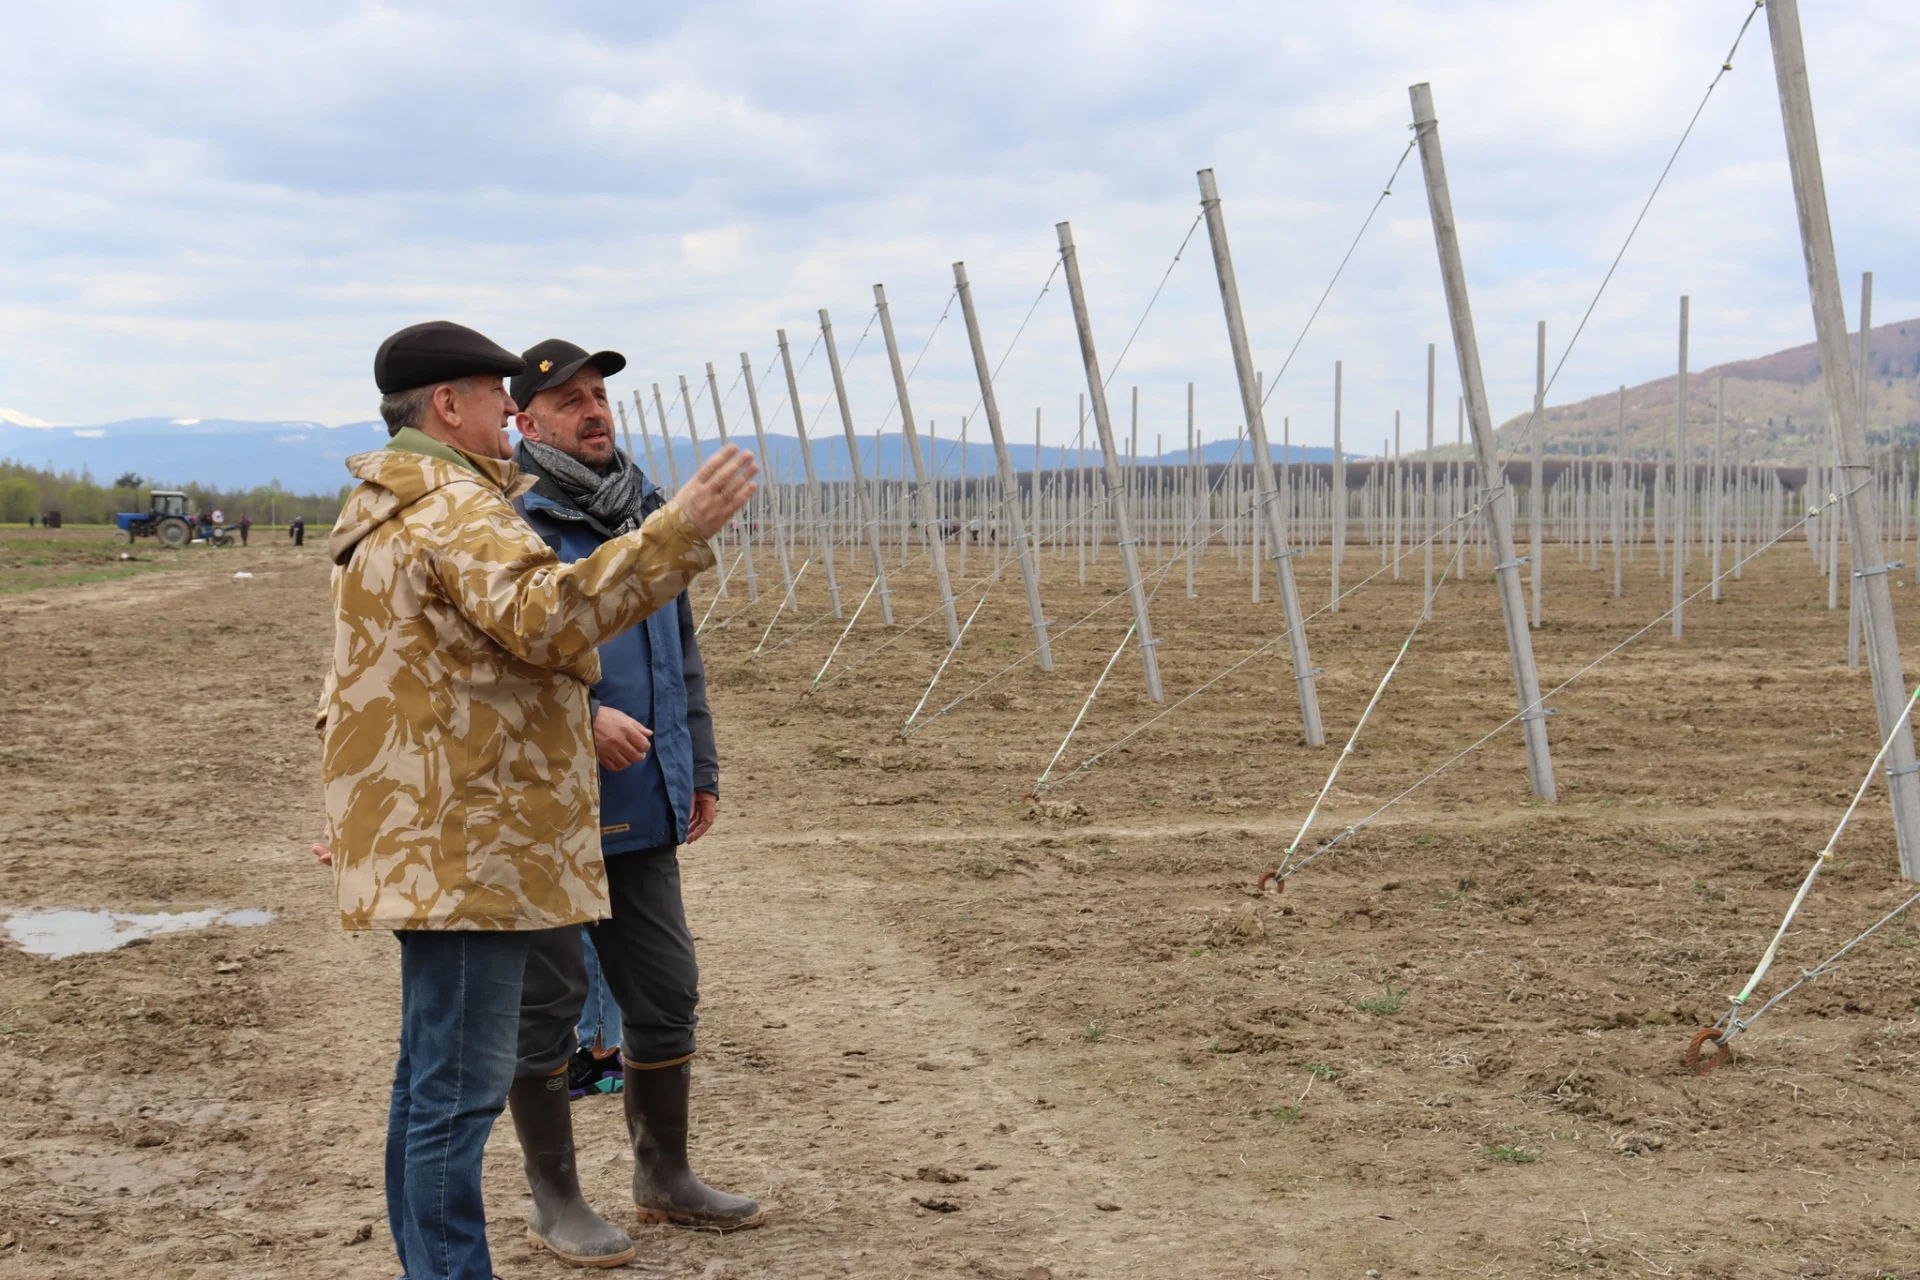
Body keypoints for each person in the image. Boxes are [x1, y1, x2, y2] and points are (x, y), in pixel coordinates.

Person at [317, 319, 756, 1280]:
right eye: (495, 395)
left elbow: (368, 688)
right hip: (478, 838)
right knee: (458, 1090)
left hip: (452, 826)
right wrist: (678, 532)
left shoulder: (391, 507)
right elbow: (551, 617)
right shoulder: (456, 509)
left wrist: (363, 812)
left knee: (431, 1085)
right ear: (447, 405)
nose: (505, 411)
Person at [501, 337, 760, 1268]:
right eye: (569, 400)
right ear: (526, 423)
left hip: (642, 798)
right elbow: (496, 659)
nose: (593, 411)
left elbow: (678, 656)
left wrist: (700, 768)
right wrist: (584, 716)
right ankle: (557, 1200)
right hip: (547, 804)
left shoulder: (644, 513)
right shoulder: (513, 519)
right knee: (548, 1004)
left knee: (665, 989)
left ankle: (665, 1177)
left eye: (599, 395)